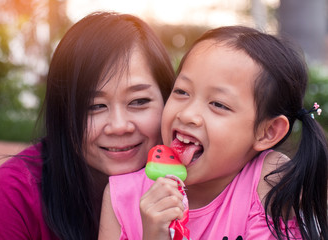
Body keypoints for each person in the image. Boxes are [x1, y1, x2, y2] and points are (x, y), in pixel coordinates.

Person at [99, 26, 328, 240]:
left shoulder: (268, 181)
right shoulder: (121, 198)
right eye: (181, 91)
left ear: (267, 132)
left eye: (218, 104)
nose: (188, 114)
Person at [0, 11, 175, 240]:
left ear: (169, 100)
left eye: (138, 101)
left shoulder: (198, 180)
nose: (119, 126)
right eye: (94, 106)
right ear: (63, 113)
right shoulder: (19, 191)